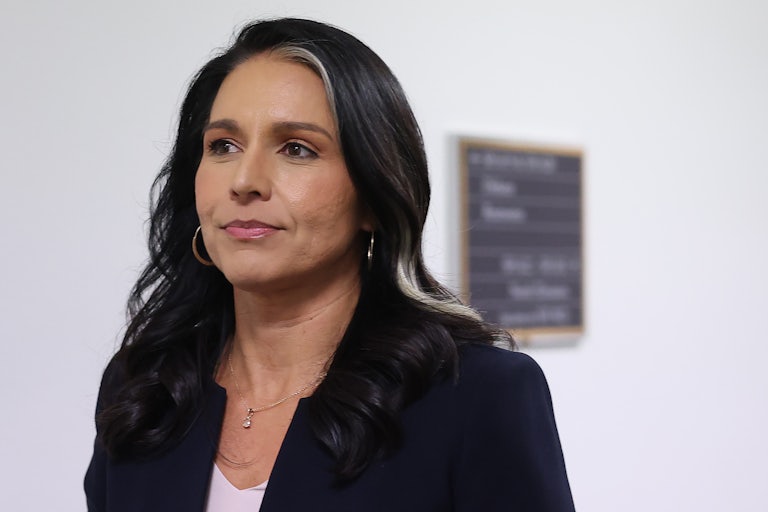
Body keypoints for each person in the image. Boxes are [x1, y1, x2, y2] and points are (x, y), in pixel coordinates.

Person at [84, 17, 575, 511]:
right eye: (223, 146)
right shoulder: (144, 389)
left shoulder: (478, 396)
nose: (245, 180)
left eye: (297, 148)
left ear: (372, 196)